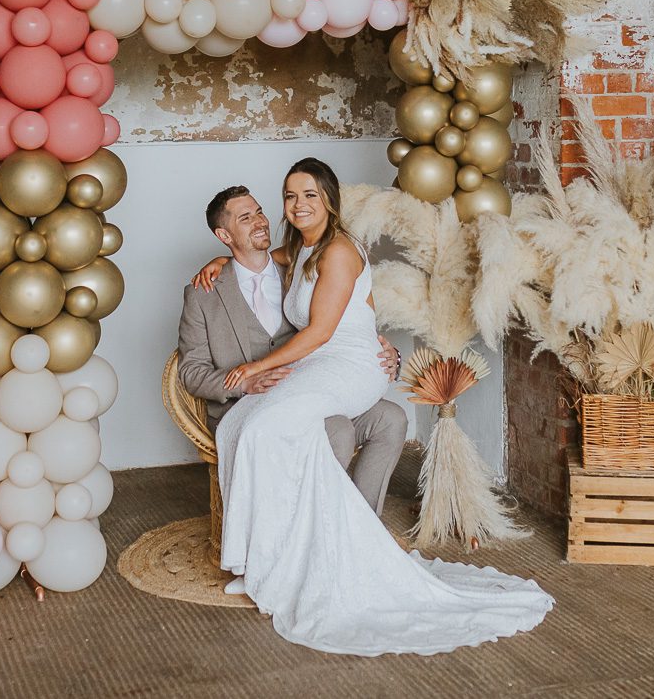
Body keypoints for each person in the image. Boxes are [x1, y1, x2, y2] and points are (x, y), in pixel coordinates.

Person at [192, 157, 553, 657]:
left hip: (348, 365)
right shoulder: (301, 247)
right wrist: (221, 261)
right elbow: (269, 261)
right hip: (318, 363)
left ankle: (286, 562)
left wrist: (254, 370)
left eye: (310, 196)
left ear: (330, 200)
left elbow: (319, 331)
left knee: (264, 427)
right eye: (291, 197)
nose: (298, 205)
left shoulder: (339, 251)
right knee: (242, 428)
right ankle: (258, 562)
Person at [178, 185, 408, 521]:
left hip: (315, 391)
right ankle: (309, 535)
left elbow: (348, 324)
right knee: (337, 430)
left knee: (391, 418)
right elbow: (191, 371)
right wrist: (244, 384)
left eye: (259, 211)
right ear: (223, 234)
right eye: (246, 217)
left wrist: (388, 355)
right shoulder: (203, 293)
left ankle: (360, 528)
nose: (260, 221)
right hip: (247, 407)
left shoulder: (302, 272)